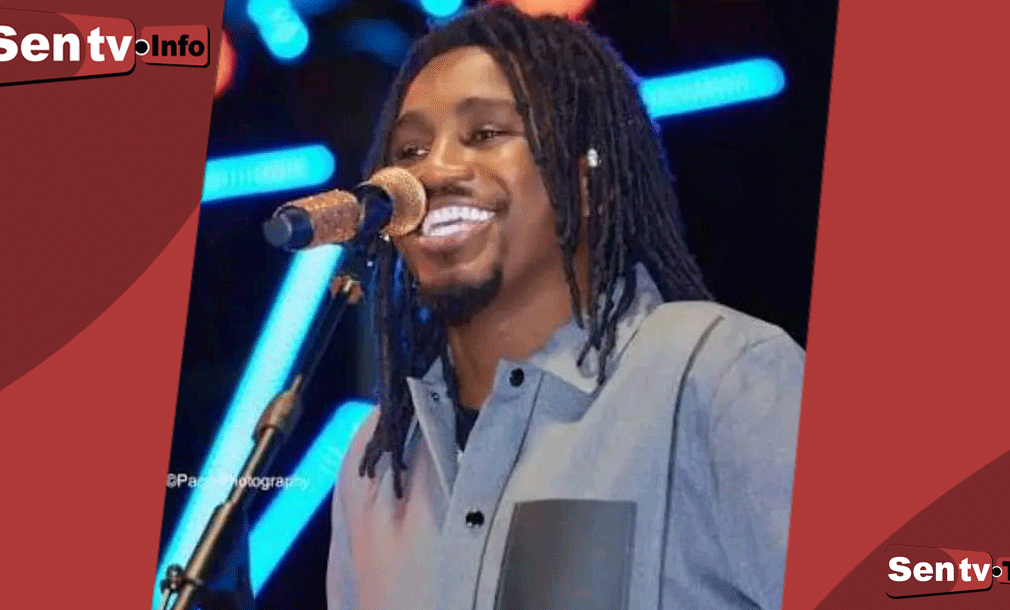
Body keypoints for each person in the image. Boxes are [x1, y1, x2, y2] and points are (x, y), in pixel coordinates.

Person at [327, 5, 804, 610]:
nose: (434, 171)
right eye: (410, 149)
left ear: (588, 180)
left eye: (485, 134)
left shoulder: (717, 374)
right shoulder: (376, 461)